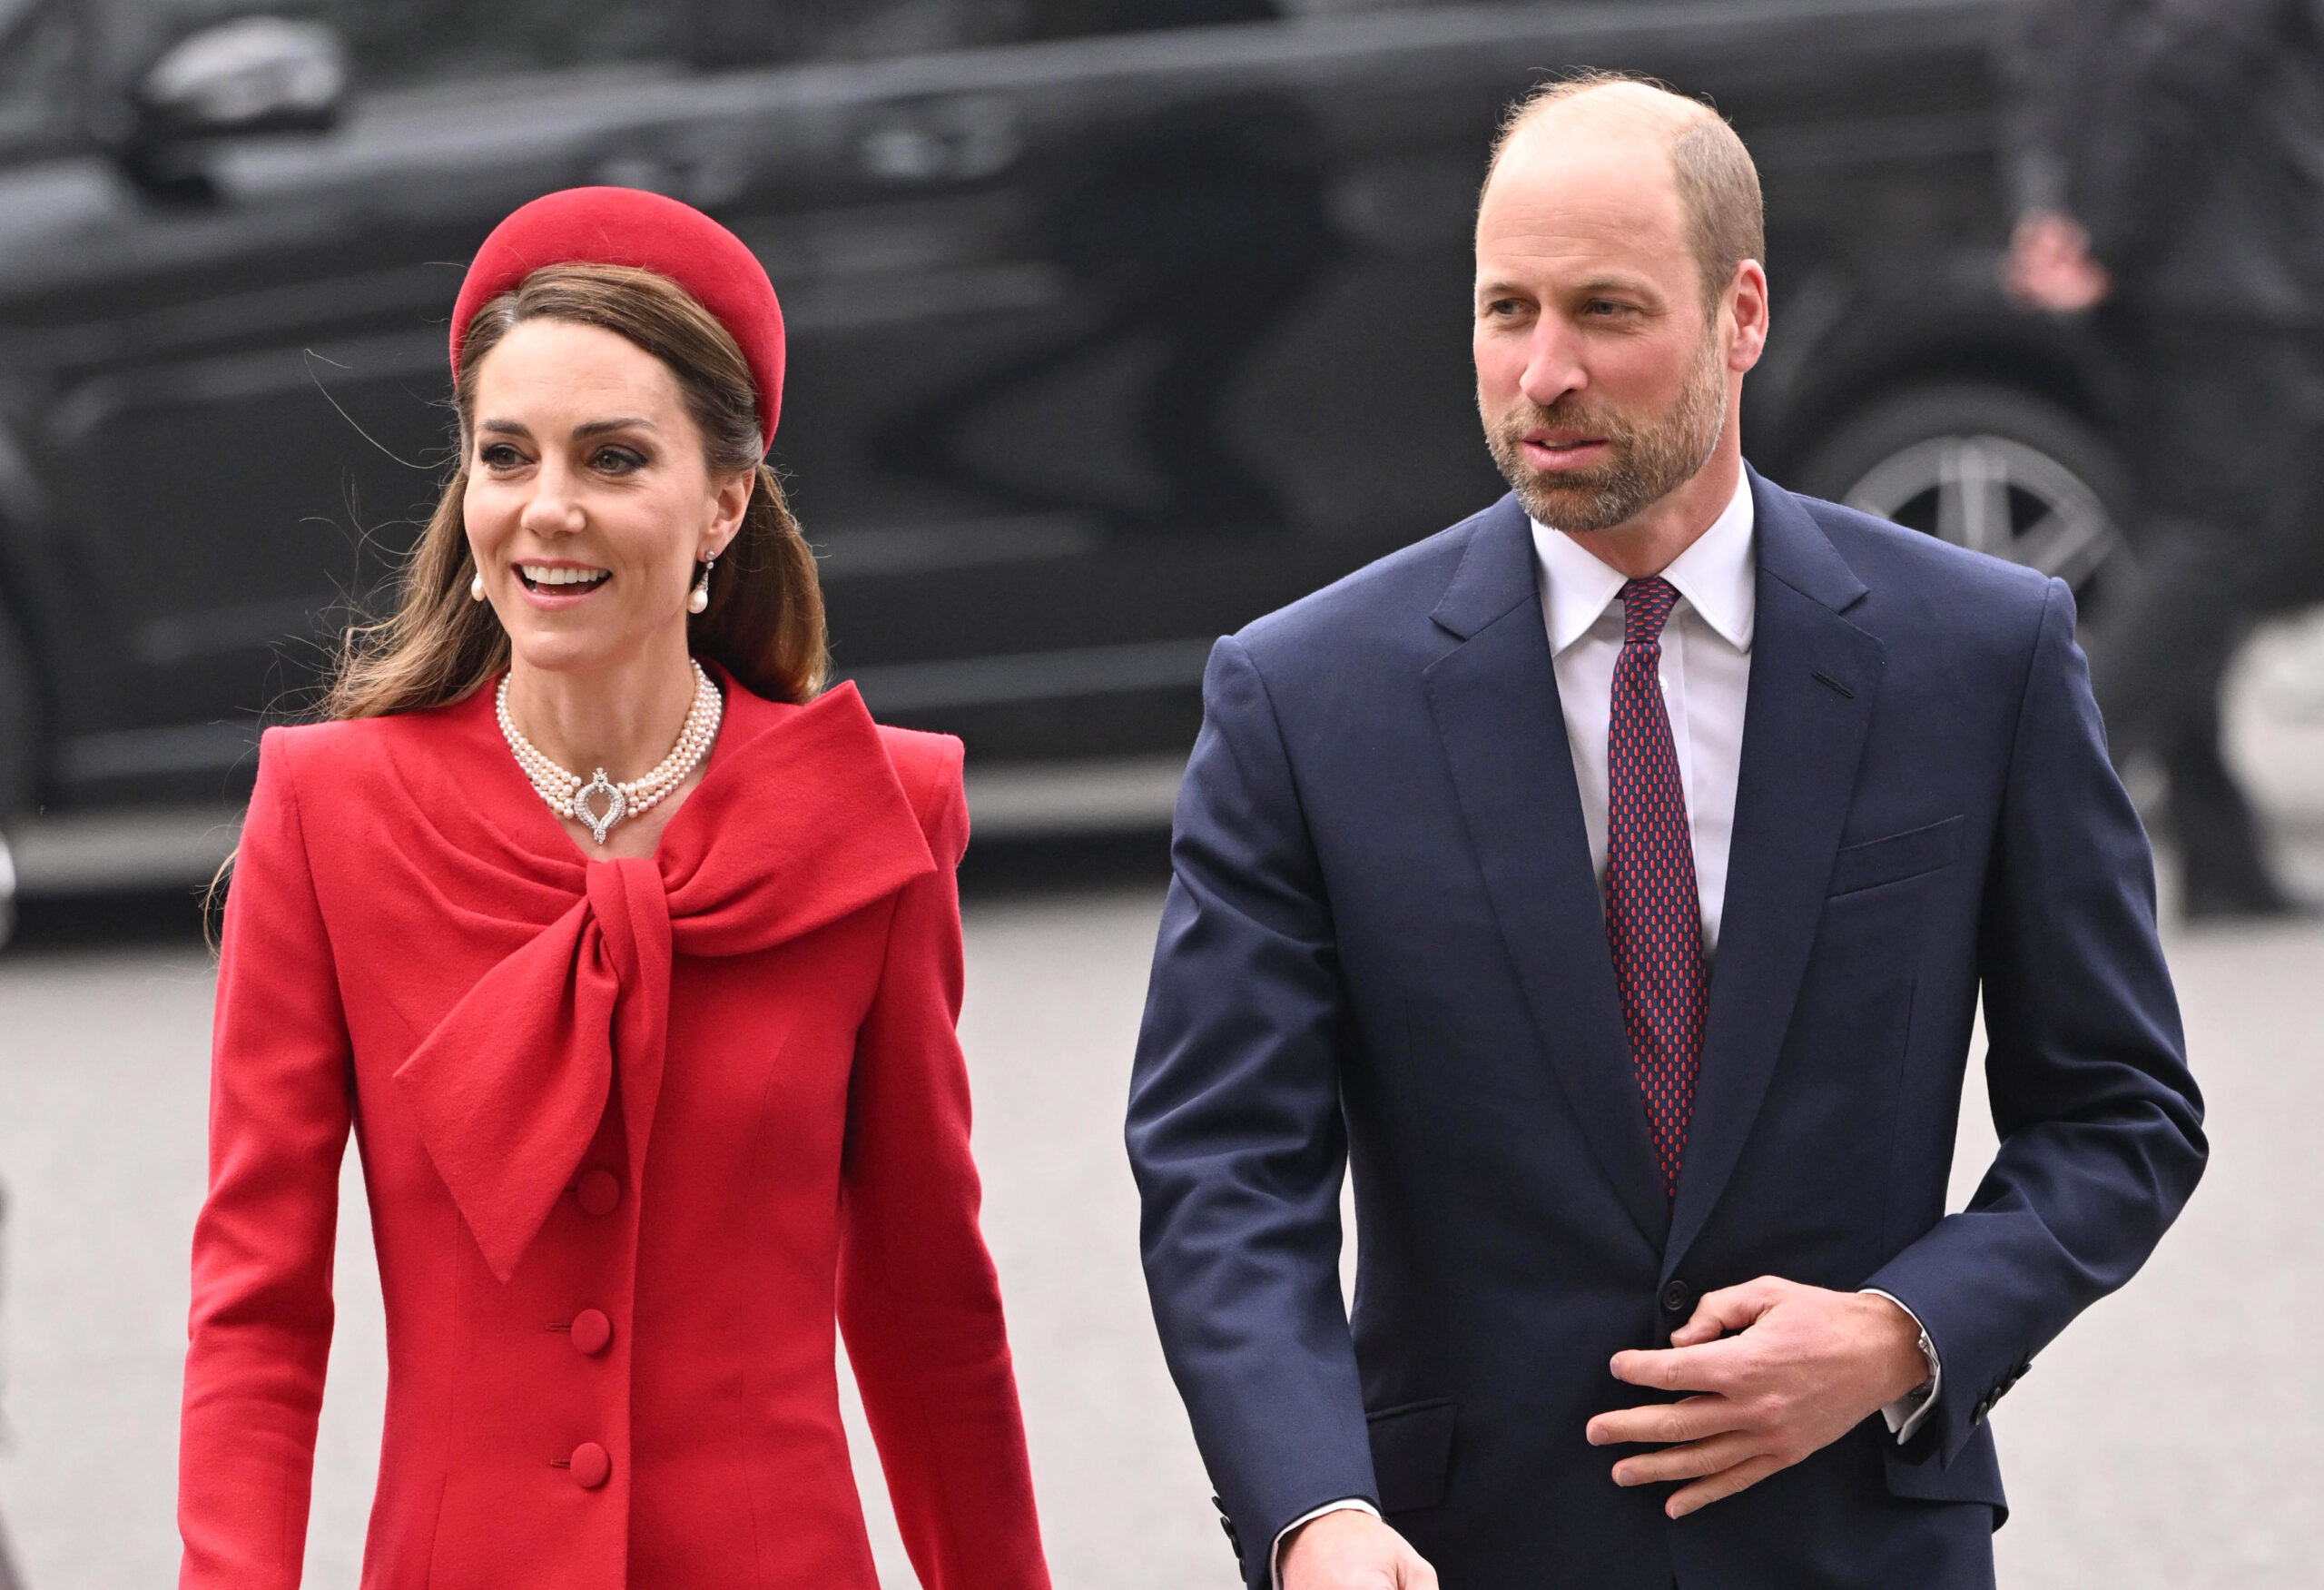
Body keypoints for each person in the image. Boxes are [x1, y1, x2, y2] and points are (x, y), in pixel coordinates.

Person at [1128, 75, 2206, 1590]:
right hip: (1461, 1548)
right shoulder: (1303, 696)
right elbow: (1226, 1165)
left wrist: (1898, 1334)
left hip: (1856, 1540)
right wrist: (1314, 1510)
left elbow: (2119, 1111)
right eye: (1507, 311)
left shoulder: (1981, 653)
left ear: (1741, 314)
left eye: (1607, 312)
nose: (1544, 372)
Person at [176, 187, 1051, 1590]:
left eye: (614, 457)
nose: (549, 509)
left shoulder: (874, 811)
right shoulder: (326, 810)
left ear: (724, 503)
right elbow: (258, 1302)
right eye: (505, 455)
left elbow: (926, 1301)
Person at [2004, 0, 2324, 917]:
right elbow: (2185, 69)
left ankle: (2219, 852)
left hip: (2168, 278)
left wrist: (2054, 218)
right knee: (2219, 537)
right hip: (2229, 278)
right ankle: (2034, 791)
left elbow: (2042, 64)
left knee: (2184, 542)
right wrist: (2103, 234)